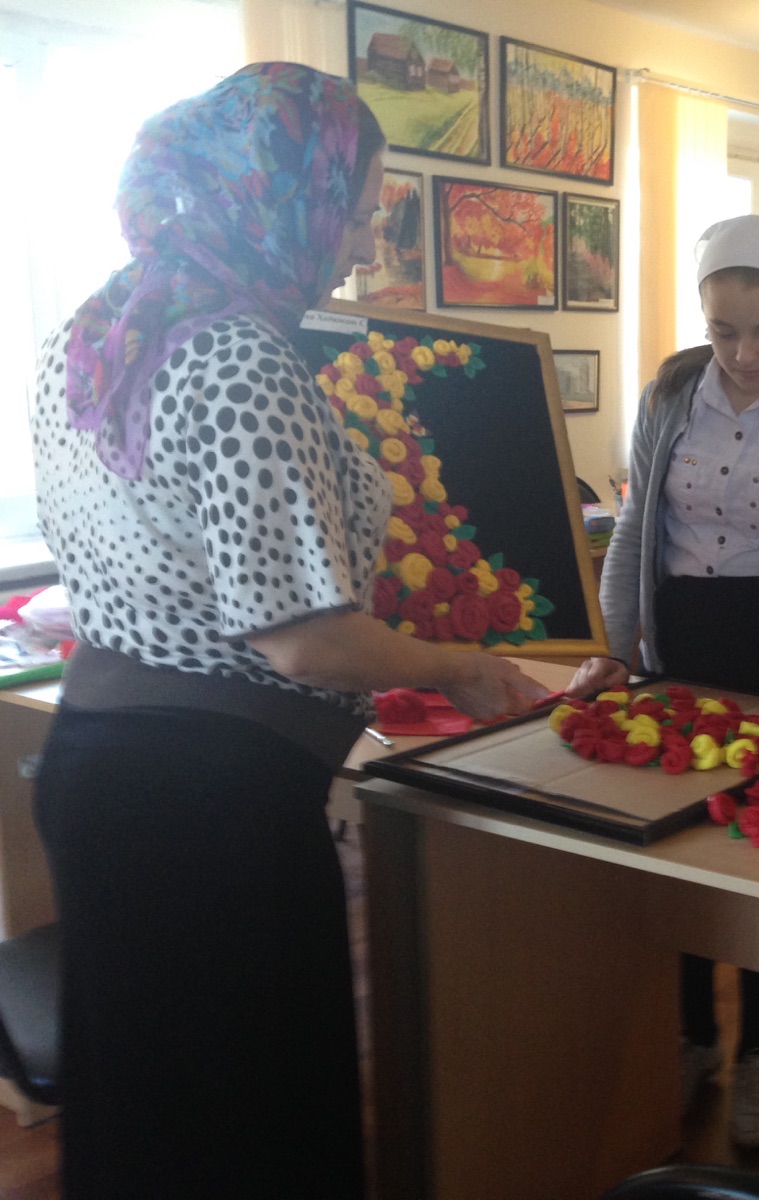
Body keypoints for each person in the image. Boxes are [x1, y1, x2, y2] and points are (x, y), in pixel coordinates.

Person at [29, 63, 544, 1199]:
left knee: (144, 1116)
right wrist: (460, 664)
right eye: (353, 210)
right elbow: (302, 639)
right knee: (248, 1128)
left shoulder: (95, 332)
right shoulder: (238, 357)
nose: (362, 242)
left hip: (100, 771)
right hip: (207, 808)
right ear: (273, 200)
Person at [569, 214, 759, 1148]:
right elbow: (634, 532)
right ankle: (696, 1037)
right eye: (723, 331)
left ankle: (758, 1058)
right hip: (677, 651)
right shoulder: (671, 395)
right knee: (676, 852)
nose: (744, 354)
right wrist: (614, 646)